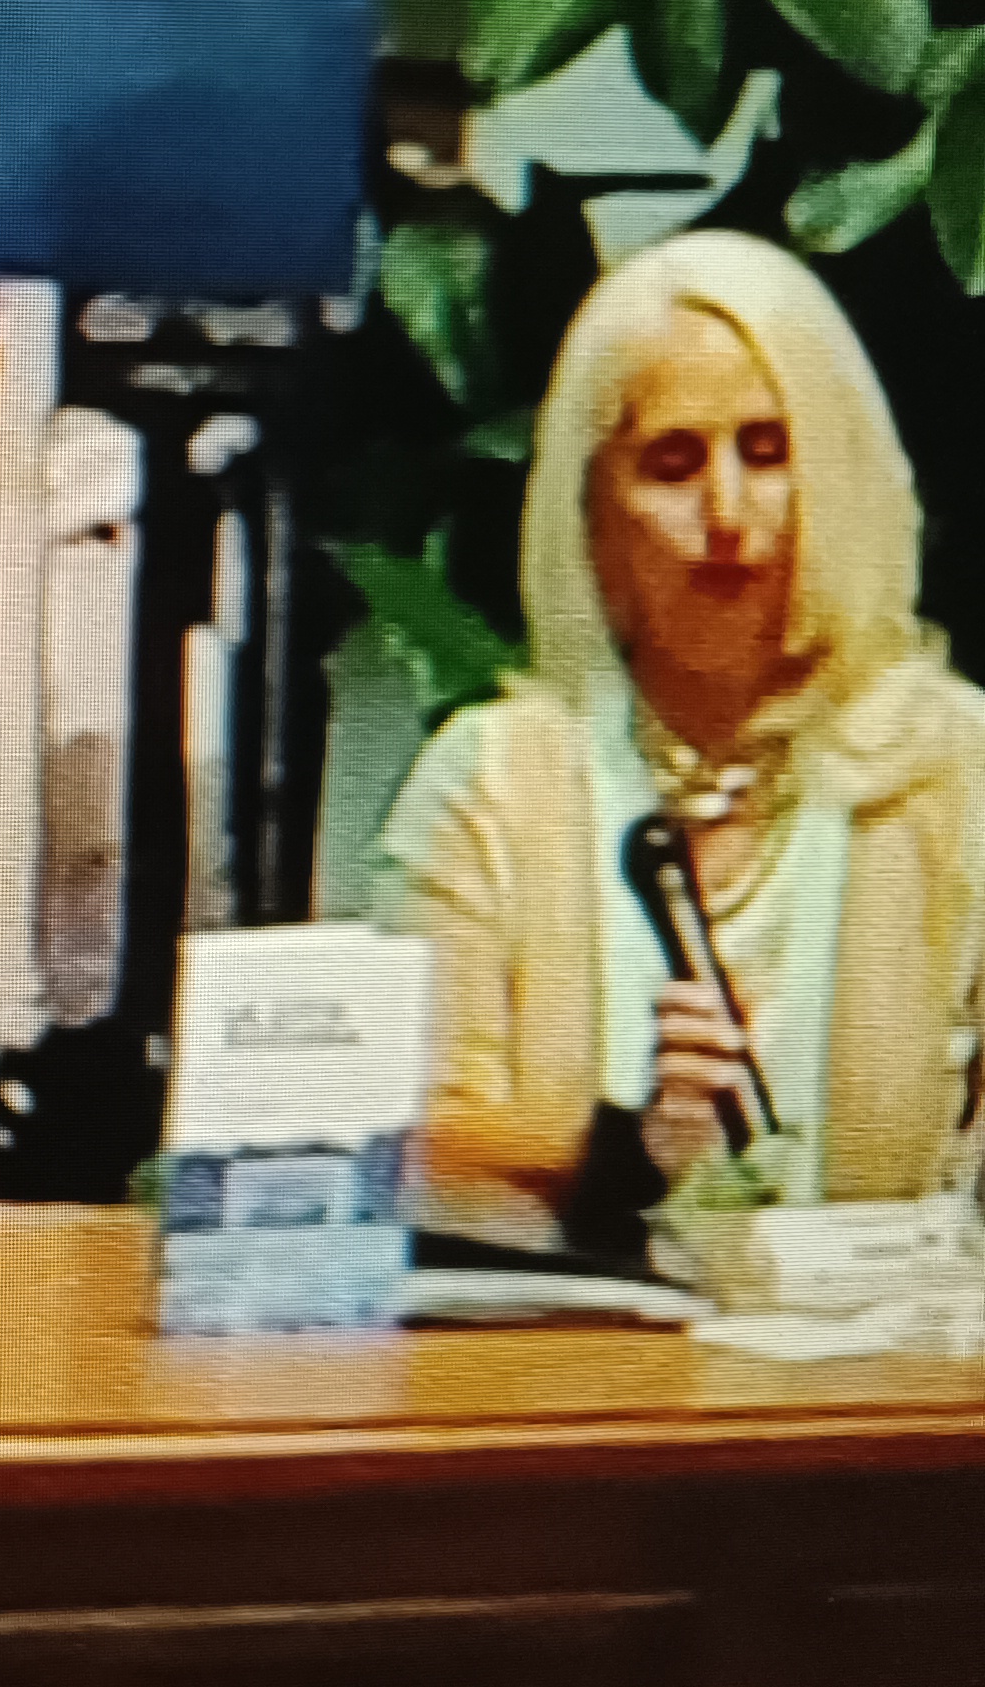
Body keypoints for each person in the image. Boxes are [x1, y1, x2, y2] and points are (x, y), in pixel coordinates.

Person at [372, 230, 985, 1251]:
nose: (727, 512)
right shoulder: (492, 781)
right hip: (564, 1349)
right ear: (595, 520)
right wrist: (624, 1152)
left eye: (767, 452)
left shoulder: (957, 770)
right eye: (671, 463)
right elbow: (409, 1148)